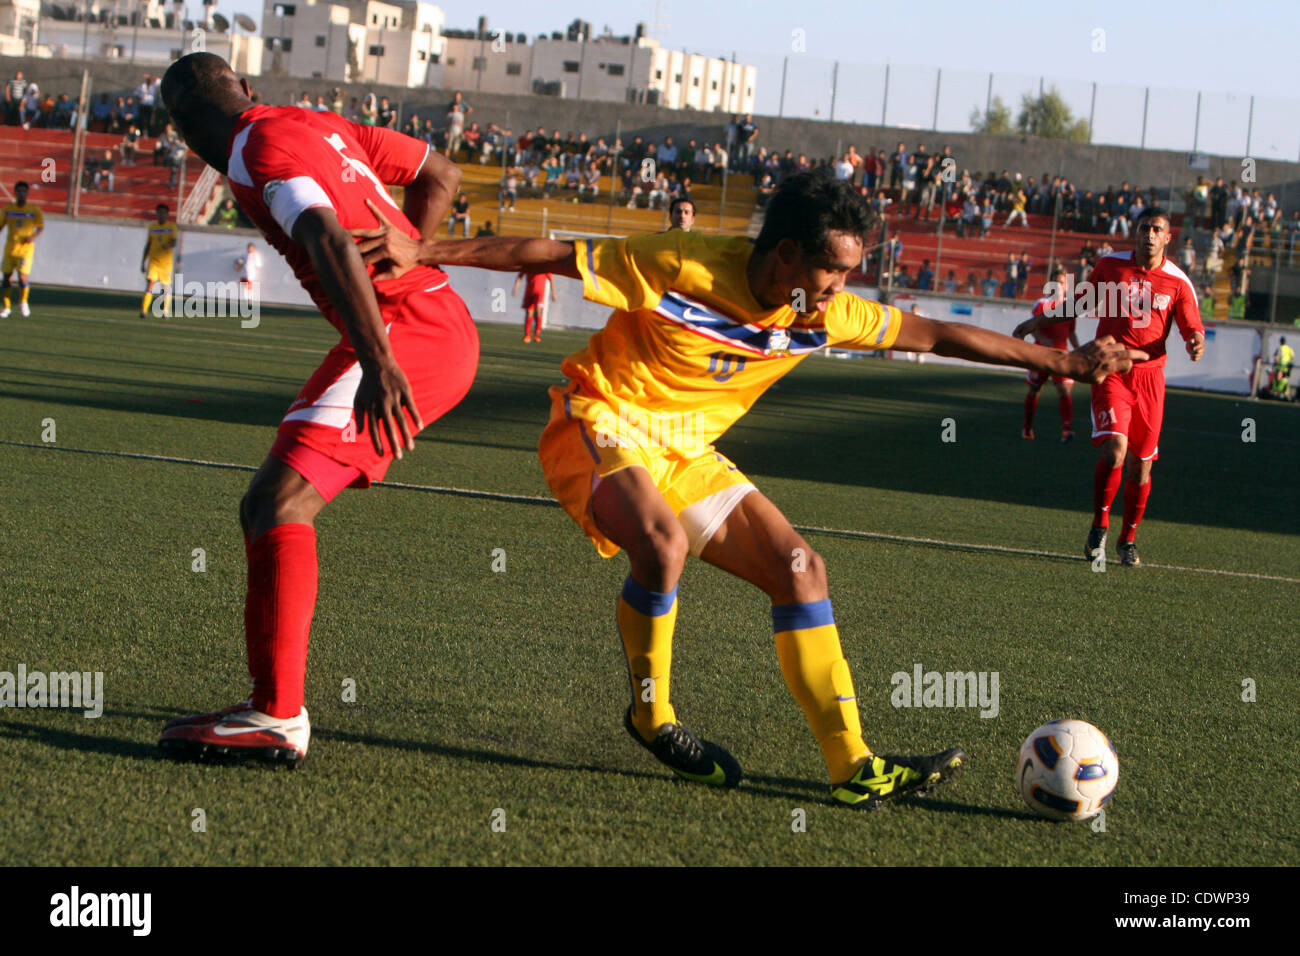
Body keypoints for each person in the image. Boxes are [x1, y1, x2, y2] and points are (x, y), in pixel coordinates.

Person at [350, 170, 1141, 807]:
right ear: (788, 254)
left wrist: (1062, 364)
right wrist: (426, 250)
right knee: (659, 544)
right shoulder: (680, 263)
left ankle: (851, 765)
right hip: (600, 418)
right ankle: (651, 713)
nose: (839, 287)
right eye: (831, 268)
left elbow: (933, 334)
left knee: (800, 569)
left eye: (849, 272)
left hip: (686, 451)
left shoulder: (820, 313)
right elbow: (549, 253)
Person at [154, 53, 478, 765]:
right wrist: (411, 259)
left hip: (407, 333)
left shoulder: (254, 149)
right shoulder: (314, 121)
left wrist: (380, 358)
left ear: (181, 131)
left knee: (278, 501)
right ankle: (272, 706)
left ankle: (276, 714)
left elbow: (326, 236)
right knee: (269, 503)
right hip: (422, 318)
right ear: (247, 89)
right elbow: (443, 174)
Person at [1014, 207, 1204, 568]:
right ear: (1135, 232)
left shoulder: (1178, 281)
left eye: (1157, 229)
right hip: (1111, 370)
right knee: (1116, 450)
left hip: (1149, 379)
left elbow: (1191, 326)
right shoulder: (1110, 266)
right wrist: (1036, 320)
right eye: (1144, 227)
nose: (1149, 234)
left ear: (1168, 237)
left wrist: (1196, 341)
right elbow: (1078, 304)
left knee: (1141, 468)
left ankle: (1128, 538)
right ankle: (1100, 524)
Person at [1017, 266, 1080, 441]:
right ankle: (1027, 428)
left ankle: (1067, 431)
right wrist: (1041, 339)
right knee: (1035, 389)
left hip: (1061, 354)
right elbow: (1032, 325)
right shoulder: (1041, 304)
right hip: (1041, 354)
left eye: (1062, 283)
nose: (1059, 286)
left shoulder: (1070, 306)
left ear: (1066, 286)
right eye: (1056, 282)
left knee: (1065, 390)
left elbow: (1071, 332)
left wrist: (1079, 349)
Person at [0, 181, 43, 317]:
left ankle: (23, 302)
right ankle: (6, 307)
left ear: (27, 193)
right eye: (19, 191)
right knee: (6, 278)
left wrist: (33, 237)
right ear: (15, 192)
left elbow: (40, 226)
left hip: (25, 251)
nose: (21, 193)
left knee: (23, 278)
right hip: (10, 249)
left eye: (24, 191)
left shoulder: (33, 210)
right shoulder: (8, 209)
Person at [140, 203, 179, 318]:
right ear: (156, 214)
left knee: (165, 287)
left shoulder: (171, 227)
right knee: (150, 285)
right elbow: (148, 244)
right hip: (154, 262)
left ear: (167, 214)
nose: (161, 215)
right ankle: (144, 311)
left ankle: (165, 311)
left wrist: (168, 245)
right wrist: (143, 261)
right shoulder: (152, 228)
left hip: (166, 264)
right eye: (159, 213)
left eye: (163, 213)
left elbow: (174, 241)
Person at [513, 269, 555, 343]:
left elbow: (551, 279)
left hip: (539, 294)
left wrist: (553, 292)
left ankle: (536, 335)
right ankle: (527, 335)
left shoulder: (544, 266)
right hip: (529, 293)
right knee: (529, 313)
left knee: (538, 312)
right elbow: (520, 276)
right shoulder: (529, 265)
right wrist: (515, 288)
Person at [236, 240, 262, 310]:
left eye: (251, 247)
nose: (250, 249)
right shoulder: (244, 255)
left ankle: (249, 301)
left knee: (249, 287)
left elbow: (258, 265)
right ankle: (244, 301)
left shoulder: (255, 256)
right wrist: (238, 266)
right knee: (243, 287)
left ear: (253, 248)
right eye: (249, 247)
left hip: (250, 274)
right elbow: (239, 262)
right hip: (243, 273)